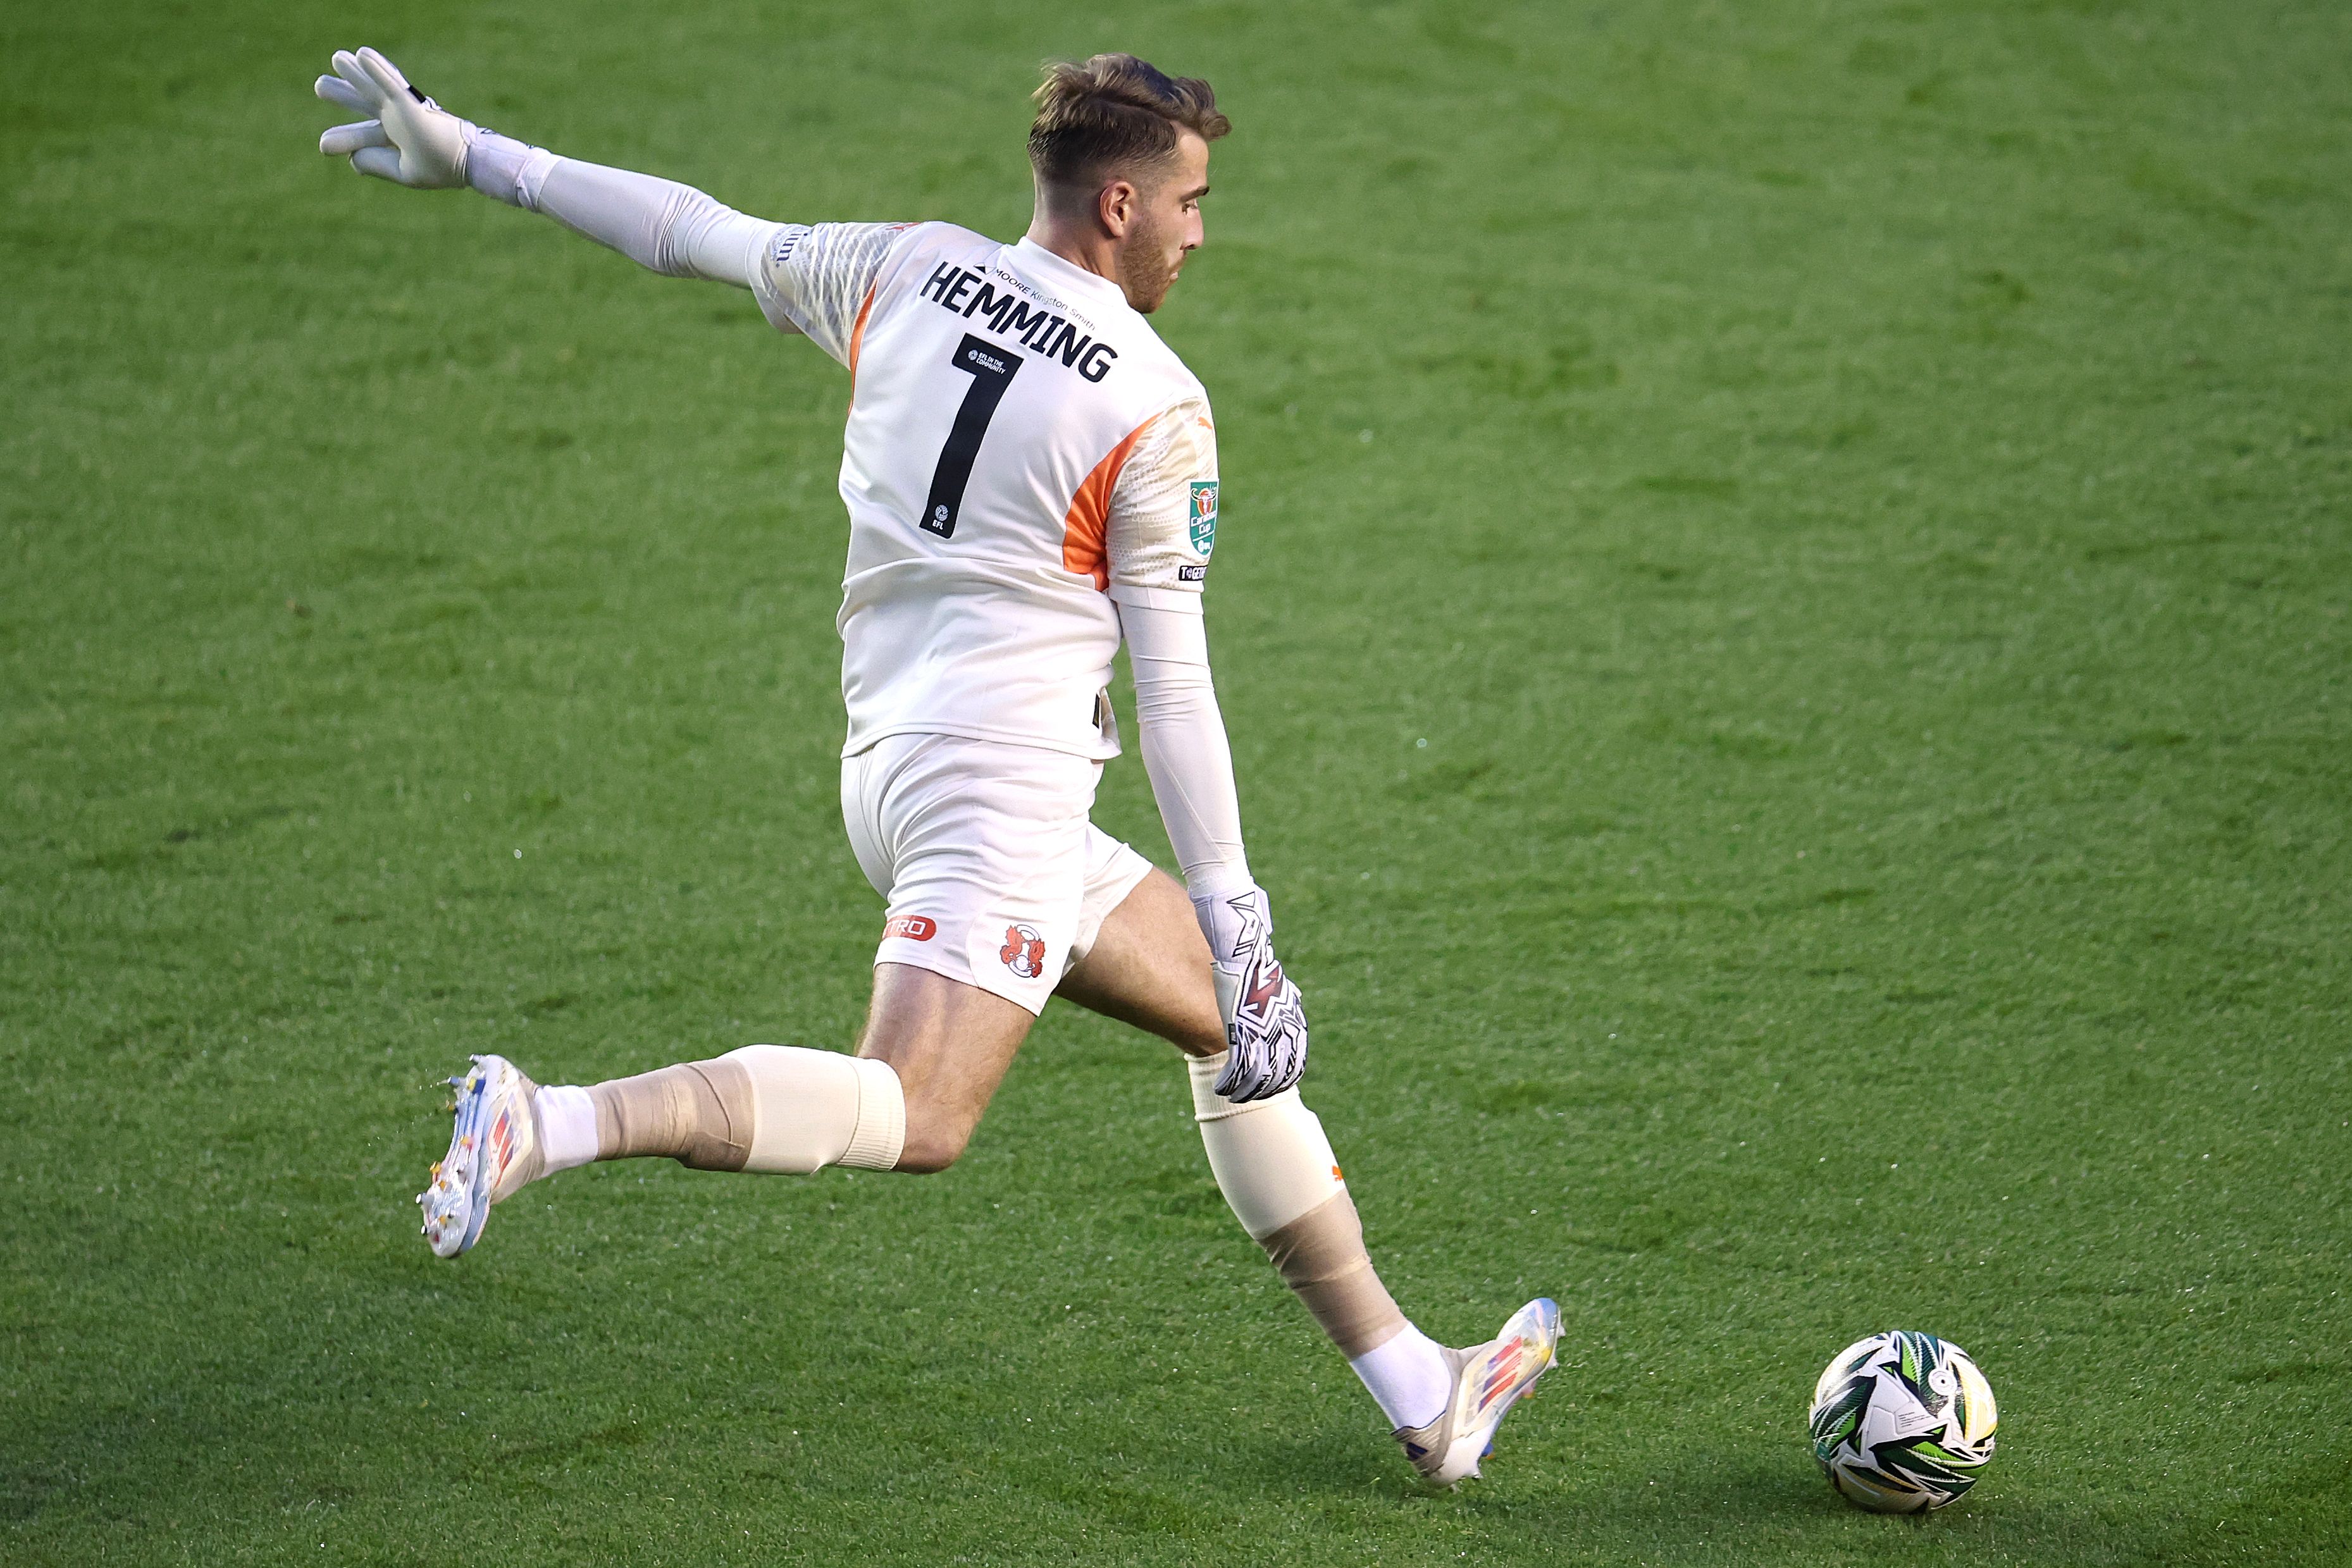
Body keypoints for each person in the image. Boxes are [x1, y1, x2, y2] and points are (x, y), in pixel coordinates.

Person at [315, 44, 1554, 1485]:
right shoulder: (1153, 407)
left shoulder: (903, 269)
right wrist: (1240, 901)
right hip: (1001, 791)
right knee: (916, 1111)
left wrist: (477, 154)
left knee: (1228, 1022)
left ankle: (1421, 1386)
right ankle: (552, 1120)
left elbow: (685, 226)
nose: (1200, 232)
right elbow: (1174, 698)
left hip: (888, 762)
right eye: (1188, 201)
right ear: (1115, 202)